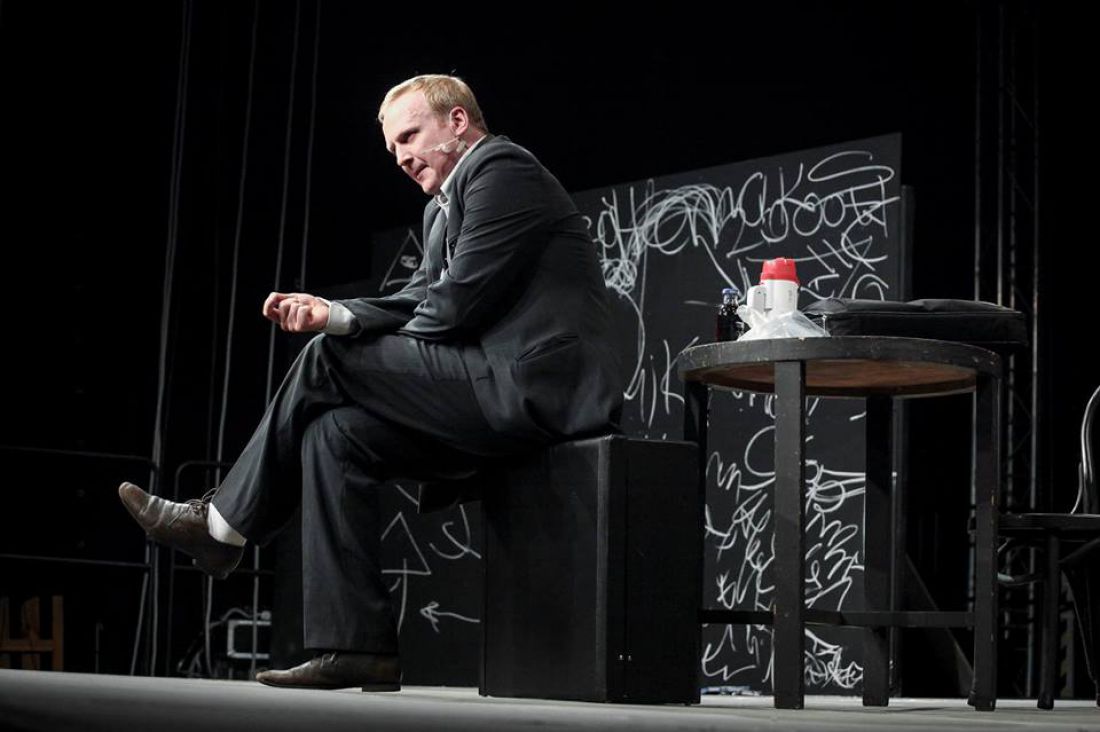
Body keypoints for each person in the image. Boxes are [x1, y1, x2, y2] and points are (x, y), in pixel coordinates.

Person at [118, 74, 623, 691]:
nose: (401, 157)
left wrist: (350, 343)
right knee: (334, 433)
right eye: (392, 148)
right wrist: (333, 313)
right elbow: (418, 298)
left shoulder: (501, 170)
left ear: (457, 122)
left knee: (328, 361)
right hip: (485, 388)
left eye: (409, 136)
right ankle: (357, 648)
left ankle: (221, 526)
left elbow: (453, 308)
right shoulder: (440, 209)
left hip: (534, 389)